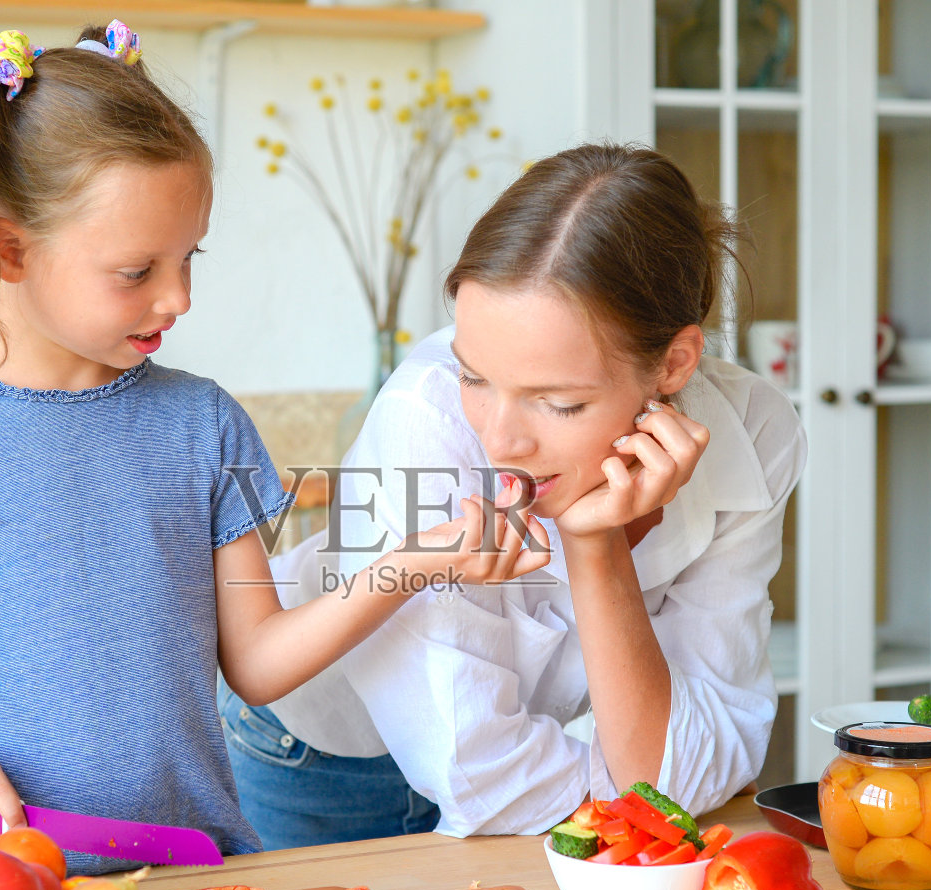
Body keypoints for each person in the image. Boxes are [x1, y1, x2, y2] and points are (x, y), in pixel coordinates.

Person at [0, 21, 546, 873]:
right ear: (12, 247)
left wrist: (418, 561)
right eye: (137, 271)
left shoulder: (203, 423)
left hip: (191, 870)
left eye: (190, 257)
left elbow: (260, 665)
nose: (179, 296)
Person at [222, 142, 808, 848]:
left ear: (675, 364)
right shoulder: (422, 419)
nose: (500, 439)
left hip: (539, 763)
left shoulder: (756, 435)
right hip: (317, 760)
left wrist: (596, 547)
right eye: (473, 375)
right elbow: (487, 777)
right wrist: (642, 788)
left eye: (556, 403)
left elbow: (691, 759)